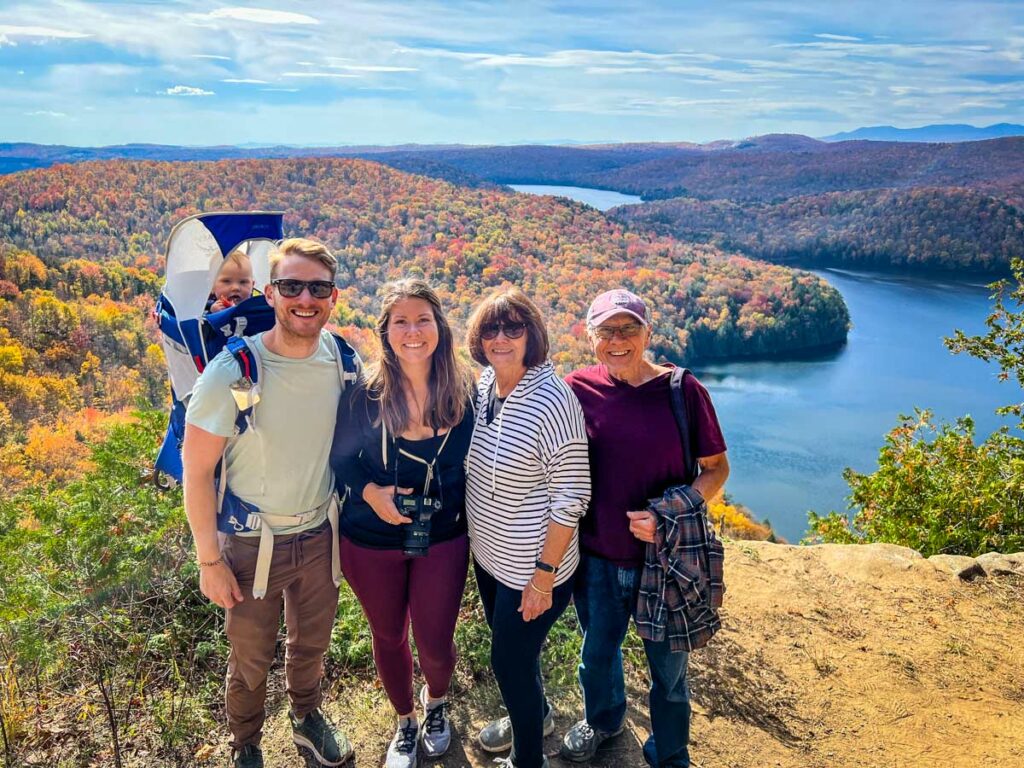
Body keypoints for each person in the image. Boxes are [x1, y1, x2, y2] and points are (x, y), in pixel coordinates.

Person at [182, 238, 356, 768]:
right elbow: (197, 469)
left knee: (311, 645)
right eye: (291, 286)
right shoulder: (235, 370)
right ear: (270, 293)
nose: (306, 298)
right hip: (252, 542)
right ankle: (246, 746)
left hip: (320, 534)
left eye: (318, 288)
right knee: (251, 657)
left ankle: (306, 719)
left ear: (333, 296)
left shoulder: (342, 358)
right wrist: (209, 560)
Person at [560, 289, 729, 768]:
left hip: (666, 561)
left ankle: (671, 752)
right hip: (595, 559)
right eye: (606, 331)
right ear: (591, 337)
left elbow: (716, 470)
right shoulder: (576, 389)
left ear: (648, 333)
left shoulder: (682, 390)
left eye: (628, 328)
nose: (618, 340)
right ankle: (606, 722)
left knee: (670, 672)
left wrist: (668, 513)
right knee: (597, 658)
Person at [331, 279, 474, 768]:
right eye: (401, 322)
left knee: (435, 640)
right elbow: (339, 459)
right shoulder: (363, 398)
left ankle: (436, 703)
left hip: (443, 537)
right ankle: (405, 721)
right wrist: (371, 493)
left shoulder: (468, 395)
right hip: (370, 540)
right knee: (389, 634)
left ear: (440, 328)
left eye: (423, 320)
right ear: (385, 332)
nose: (413, 331)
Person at [465, 287, 591, 768]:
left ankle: (527, 759)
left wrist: (542, 576)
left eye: (514, 328)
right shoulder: (486, 385)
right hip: (491, 557)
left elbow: (571, 497)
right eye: (492, 328)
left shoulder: (552, 400)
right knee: (519, 658)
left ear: (531, 334)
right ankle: (535, 715)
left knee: (509, 661)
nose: (501, 337)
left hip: (533, 570)